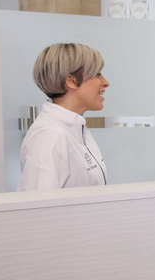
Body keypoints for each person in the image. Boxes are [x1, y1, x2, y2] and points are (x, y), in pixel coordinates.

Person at [19, 43, 111, 191]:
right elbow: (38, 203)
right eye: (97, 74)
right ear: (71, 81)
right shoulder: (49, 136)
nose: (106, 83)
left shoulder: (75, 128)